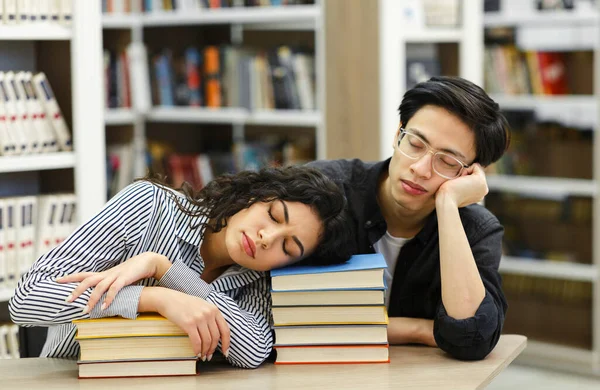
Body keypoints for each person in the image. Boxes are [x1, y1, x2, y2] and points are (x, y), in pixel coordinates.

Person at [9, 166, 350, 369]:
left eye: (287, 247)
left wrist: (165, 268)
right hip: (72, 377)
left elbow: (254, 349)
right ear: (255, 194)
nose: (267, 239)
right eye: (274, 216)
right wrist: (154, 299)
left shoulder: (259, 277)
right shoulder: (148, 205)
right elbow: (26, 299)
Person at [307, 76, 511, 361]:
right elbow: (285, 313)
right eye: (415, 144)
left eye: (448, 162)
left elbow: (472, 338)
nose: (421, 169)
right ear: (397, 134)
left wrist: (448, 204)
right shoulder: (325, 189)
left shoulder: (477, 229)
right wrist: (418, 330)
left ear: (470, 174)